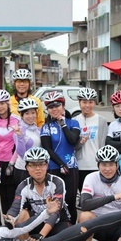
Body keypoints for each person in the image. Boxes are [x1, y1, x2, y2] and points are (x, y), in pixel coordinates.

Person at [3, 147, 72, 241]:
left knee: (66, 236)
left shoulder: (57, 182)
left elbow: (56, 212)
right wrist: (10, 218)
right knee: (22, 214)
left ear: (47, 165)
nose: (38, 169)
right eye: (33, 165)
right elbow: (16, 207)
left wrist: (41, 235)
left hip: (58, 222)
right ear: (27, 167)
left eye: (41, 164)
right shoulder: (23, 186)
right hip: (38, 221)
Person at [40, 91, 81, 223]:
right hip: (53, 167)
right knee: (55, 202)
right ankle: (57, 229)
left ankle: (71, 230)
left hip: (71, 167)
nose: (54, 109)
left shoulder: (73, 123)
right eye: (51, 107)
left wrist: (63, 124)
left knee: (70, 200)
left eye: (57, 105)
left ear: (63, 106)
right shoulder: (45, 126)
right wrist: (61, 164)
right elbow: (47, 148)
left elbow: (73, 140)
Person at [0, 89, 21, 214]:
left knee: (13, 195)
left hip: (12, 162)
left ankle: (14, 222)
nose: (0, 106)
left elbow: (20, 143)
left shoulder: (17, 119)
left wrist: (12, 163)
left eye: (2, 103)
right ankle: (6, 224)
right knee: (3, 196)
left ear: (8, 103)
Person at [74, 87, 108, 192]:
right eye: (84, 102)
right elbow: (72, 146)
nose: (87, 105)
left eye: (91, 102)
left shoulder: (102, 120)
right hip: (80, 166)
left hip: (97, 165)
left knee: (98, 197)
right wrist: (80, 142)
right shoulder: (74, 121)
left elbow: (103, 144)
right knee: (84, 198)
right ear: (79, 103)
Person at [11, 98, 42, 184]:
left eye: (33, 113)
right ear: (21, 115)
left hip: (37, 169)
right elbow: (21, 153)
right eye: (27, 113)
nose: (31, 116)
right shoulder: (19, 130)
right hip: (23, 170)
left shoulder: (38, 130)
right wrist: (20, 136)